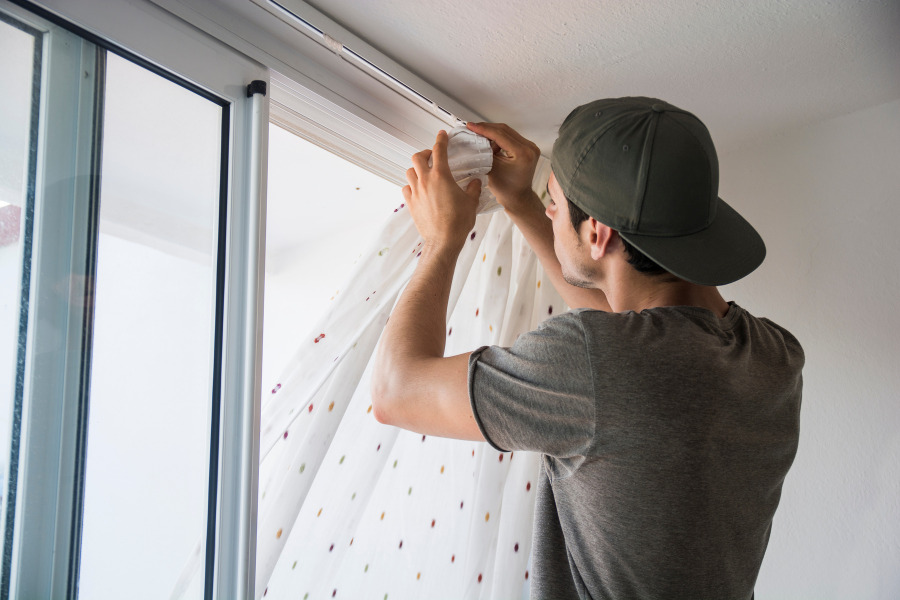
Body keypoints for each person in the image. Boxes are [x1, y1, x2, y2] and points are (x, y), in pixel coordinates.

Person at [371, 97, 804, 600]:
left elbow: (394, 391)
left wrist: (442, 238)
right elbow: (636, 338)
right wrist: (523, 203)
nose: (550, 209)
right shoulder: (776, 356)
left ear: (597, 232)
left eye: (553, 201)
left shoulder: (592, 359)